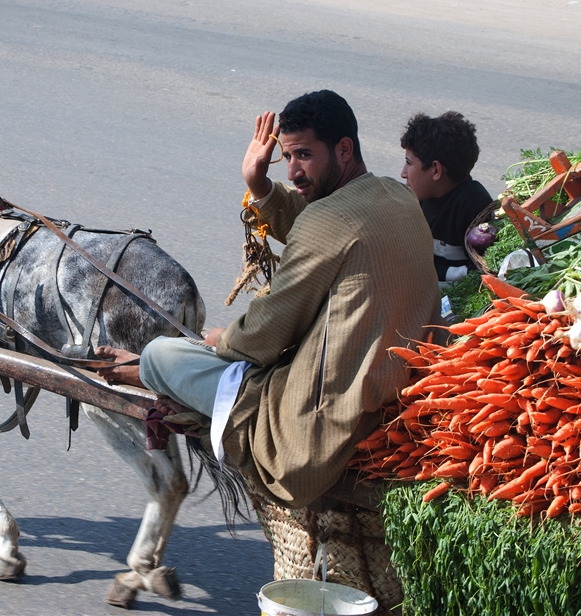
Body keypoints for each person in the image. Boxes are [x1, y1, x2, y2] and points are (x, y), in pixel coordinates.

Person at [99, 90, 443, 510]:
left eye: (304, 155)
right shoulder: (395, 195)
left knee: (160, 354)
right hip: (392, 384)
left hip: (323, 420)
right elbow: (320, 234)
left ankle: (140, 371)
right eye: (287, 157)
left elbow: (266, 332)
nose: (294, 171)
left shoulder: (328, 221)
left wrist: (222, 340)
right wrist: (259, 185)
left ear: (344, 149)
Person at [399, 111, 494, 285]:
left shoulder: (472, 204)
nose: (403, 173)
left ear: (436, 170)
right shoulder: (419, 199)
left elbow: (487, 270)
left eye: (409, 163)